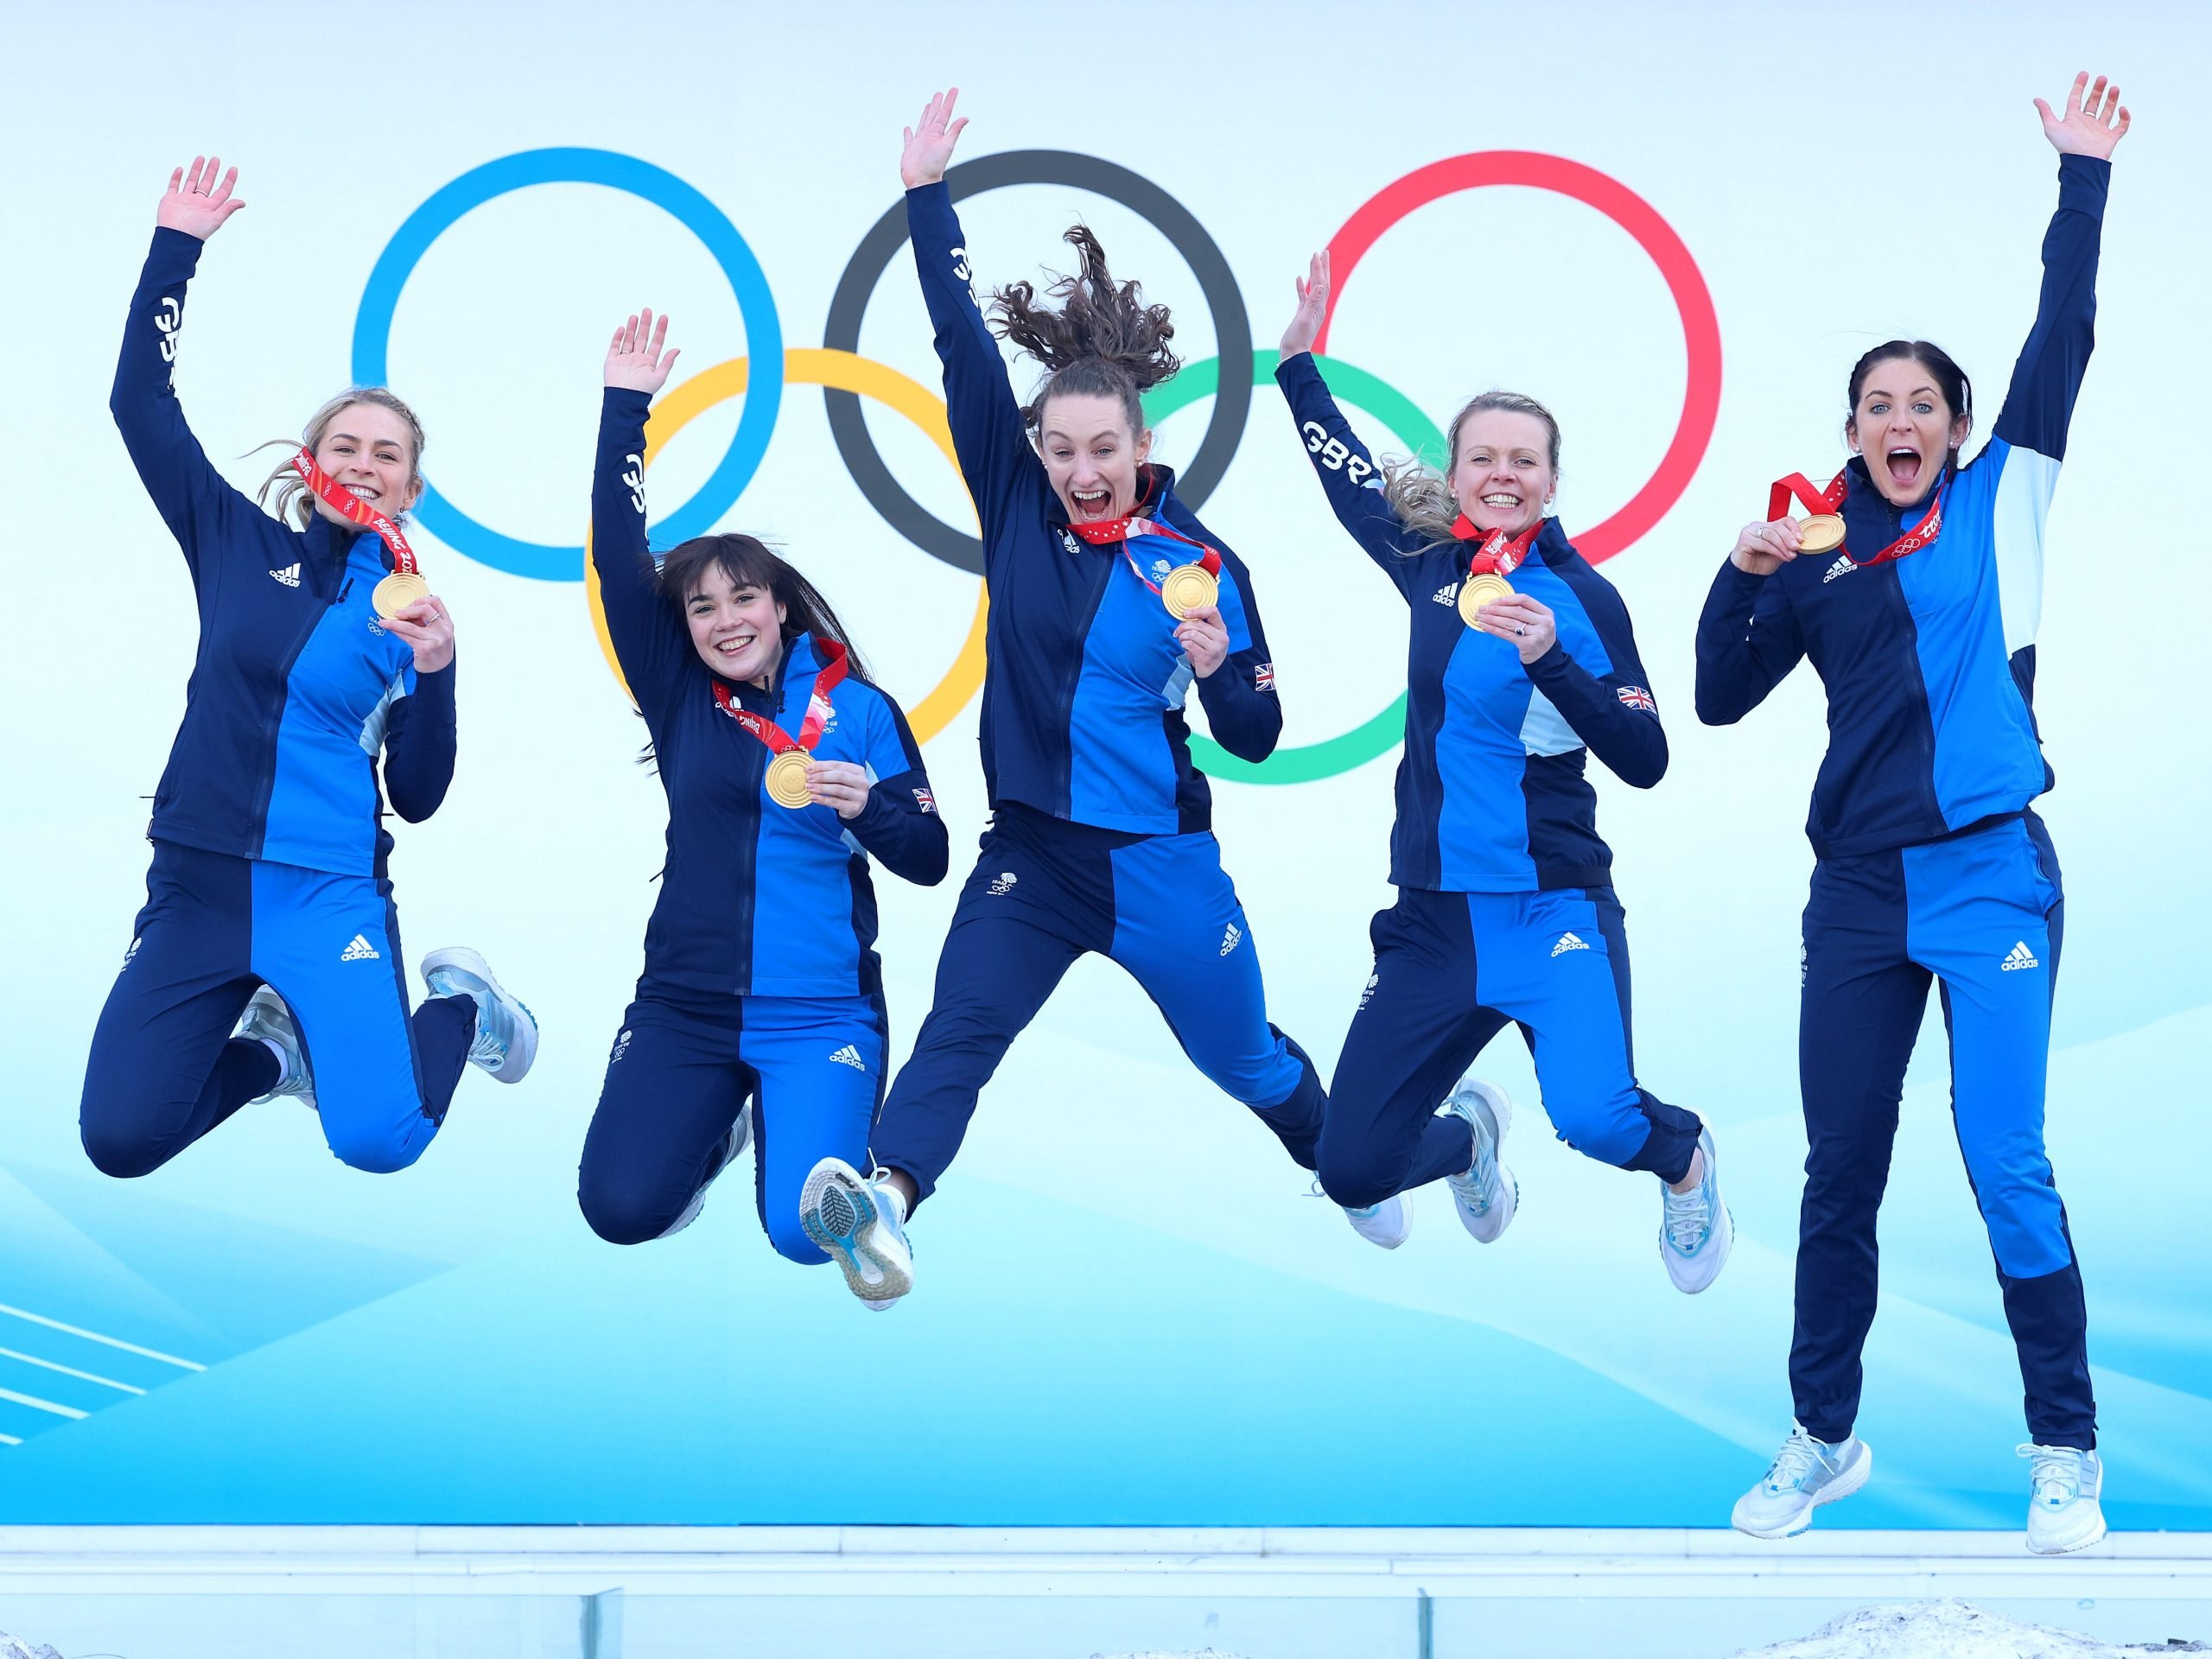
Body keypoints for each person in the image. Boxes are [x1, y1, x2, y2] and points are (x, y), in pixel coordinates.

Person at [798, 89, 1325, 1307]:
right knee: (960, 1030)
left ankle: (1415, 1151)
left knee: (1257, 1072)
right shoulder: (1017, 505)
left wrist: (1214, 669)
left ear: (1141, 443)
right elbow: (960, 345)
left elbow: (1254, 732)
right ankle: (885, 1200)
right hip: (1031, 854)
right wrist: (926, 196)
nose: (1082, 470)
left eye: (1103, 450)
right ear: (1036, 452)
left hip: (1161, 869)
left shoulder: (1205, 568)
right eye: (1062, 450)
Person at [1696, 75, 2128, 1554]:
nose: (1901, 422)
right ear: (1853, 430)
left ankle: (2064, 1450)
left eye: (1922, 405)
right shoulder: (1816, 546)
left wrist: (2080, 183)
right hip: (1859, 898)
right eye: (1876, 407)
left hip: (1995, 877)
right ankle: (1822, 1438)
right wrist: (1743, 569)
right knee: (1842, 1172)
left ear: (1953, 426)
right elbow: (1714, 695)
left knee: (2007, 1158)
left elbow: (2060, 336)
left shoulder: (2008, 494)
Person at [1273, 254, 1730, 1290]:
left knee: (1599, 1121)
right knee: (1348, 1168)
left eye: (1524, 461)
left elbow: (1645, 759)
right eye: (1483, 458)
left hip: (1550, 907)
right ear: (1460, 470)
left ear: (1553, 481)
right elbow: (1348, 480)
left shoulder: (1584, 598)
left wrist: (1550, 661)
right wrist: (1299, 367)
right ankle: (1470, 1143)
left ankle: (1688, 1158)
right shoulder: (1432, 565)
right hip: (1433, 920)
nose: (1502, 476)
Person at [82, 156, 536, 1182]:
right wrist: (175, 248)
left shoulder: (411, 613)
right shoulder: (234, 541)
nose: (364, 463)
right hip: (195, 880)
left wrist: (442, 674)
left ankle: (465, 1006)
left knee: (380, 1140)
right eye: (345, 445)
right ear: (307, 463)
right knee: (121, 1139)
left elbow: (416, 799)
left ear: (411, 488)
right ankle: (272, 1055)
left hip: (326, 894)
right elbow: (138, 403)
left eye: (386, 454)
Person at [577, 309, 950, 1260]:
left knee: (800, 1235)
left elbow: (930, 856)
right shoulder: (677, 695)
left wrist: (867, 806)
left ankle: (806, 1154)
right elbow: (620, 563)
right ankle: (721, 1129)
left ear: (779, 603)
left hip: (820, 1011)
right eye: (702, 607)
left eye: (744, 596)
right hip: (684, 1005)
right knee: (620, 1212)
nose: (725, 619)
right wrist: (626, 412)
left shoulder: (860, 710)